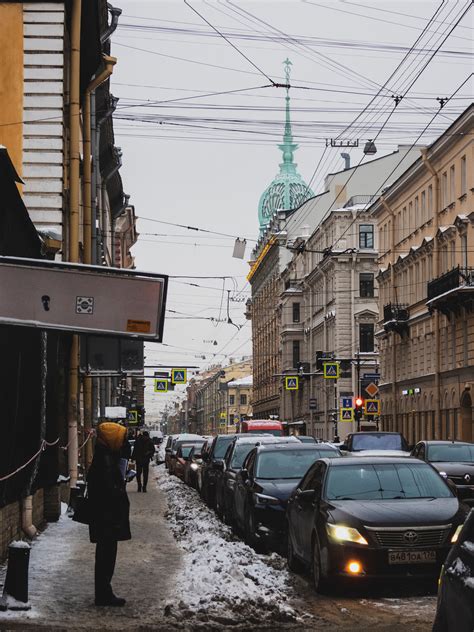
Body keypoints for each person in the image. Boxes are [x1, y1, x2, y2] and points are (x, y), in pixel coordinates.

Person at [87, 422, 131, 607]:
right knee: (106, 556)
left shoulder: (106, 457)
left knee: (105, 555)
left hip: (106, 517)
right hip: (107, 518)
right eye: (121, 439)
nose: (123, 443)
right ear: (113, 439)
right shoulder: (105, 460)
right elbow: (107, 490)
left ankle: (104, 592)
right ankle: (103, 594)